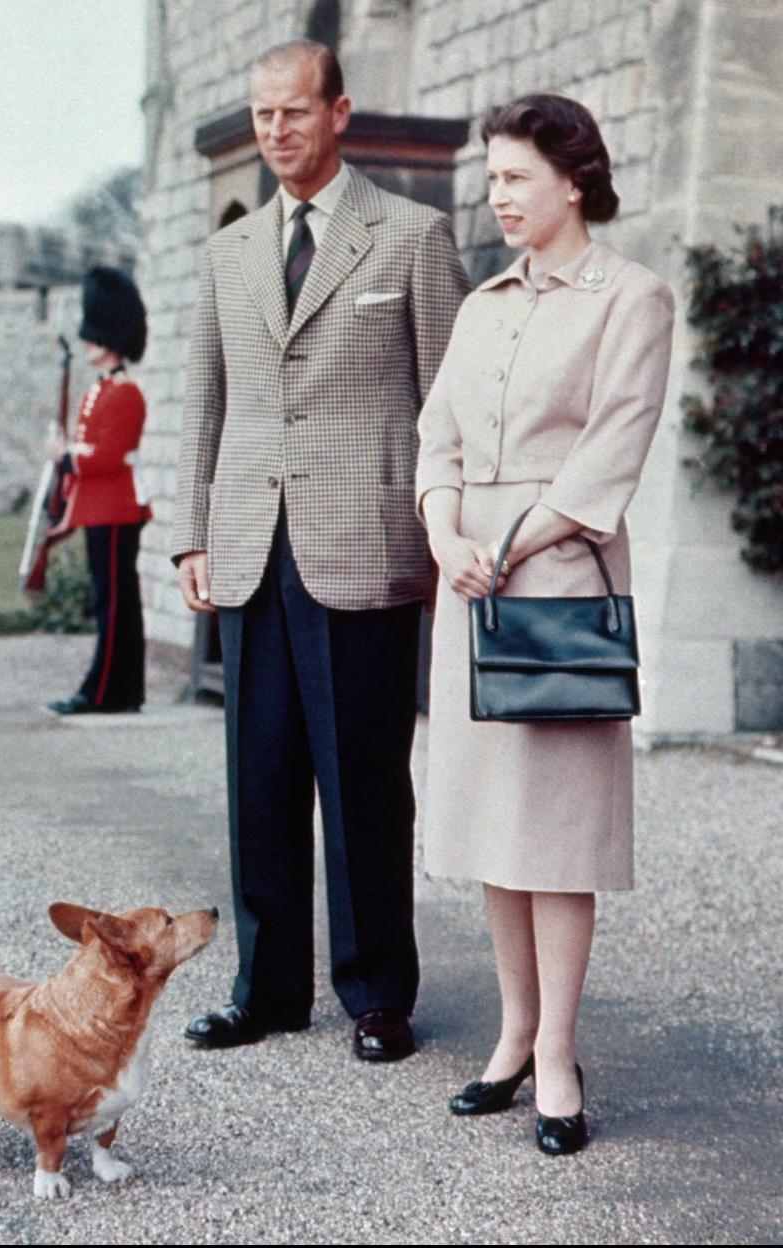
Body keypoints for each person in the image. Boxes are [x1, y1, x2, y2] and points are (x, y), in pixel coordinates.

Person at [171, 39, 470, 1058]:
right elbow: (202, 404)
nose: (275, 132)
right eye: (261, 116)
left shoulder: (413, 239)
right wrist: (188, 538)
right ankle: (266, 990)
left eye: (294, 112)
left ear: (339, 112)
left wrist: (446, 534)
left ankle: (378, 991)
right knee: (258, 778)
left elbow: (451, 405)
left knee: (363, 781)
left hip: (365, 549)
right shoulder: (230, 251)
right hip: (251, 544)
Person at [415, 93, 675, 1154]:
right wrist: (442, 534)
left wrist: (508, 543)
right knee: (492, 829)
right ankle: (513, 1036)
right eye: (490, 180)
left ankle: (560, 1053)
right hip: (468, 586)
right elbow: (433, 439)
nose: (499, 197)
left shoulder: (634, 298)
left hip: (556, 580)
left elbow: (613, 450)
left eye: (516, 177)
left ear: (575, 181)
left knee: (558, 836)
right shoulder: (481, 306)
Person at [48, 266, 150, 716]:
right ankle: (123, 689)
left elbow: (107, 455)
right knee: (114, 601)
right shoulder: (103, 390)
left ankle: (104, 690)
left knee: (114, 604)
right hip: (99, 508)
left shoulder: (126, 392)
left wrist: (65, 456)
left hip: (114, 508)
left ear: (108, 340)